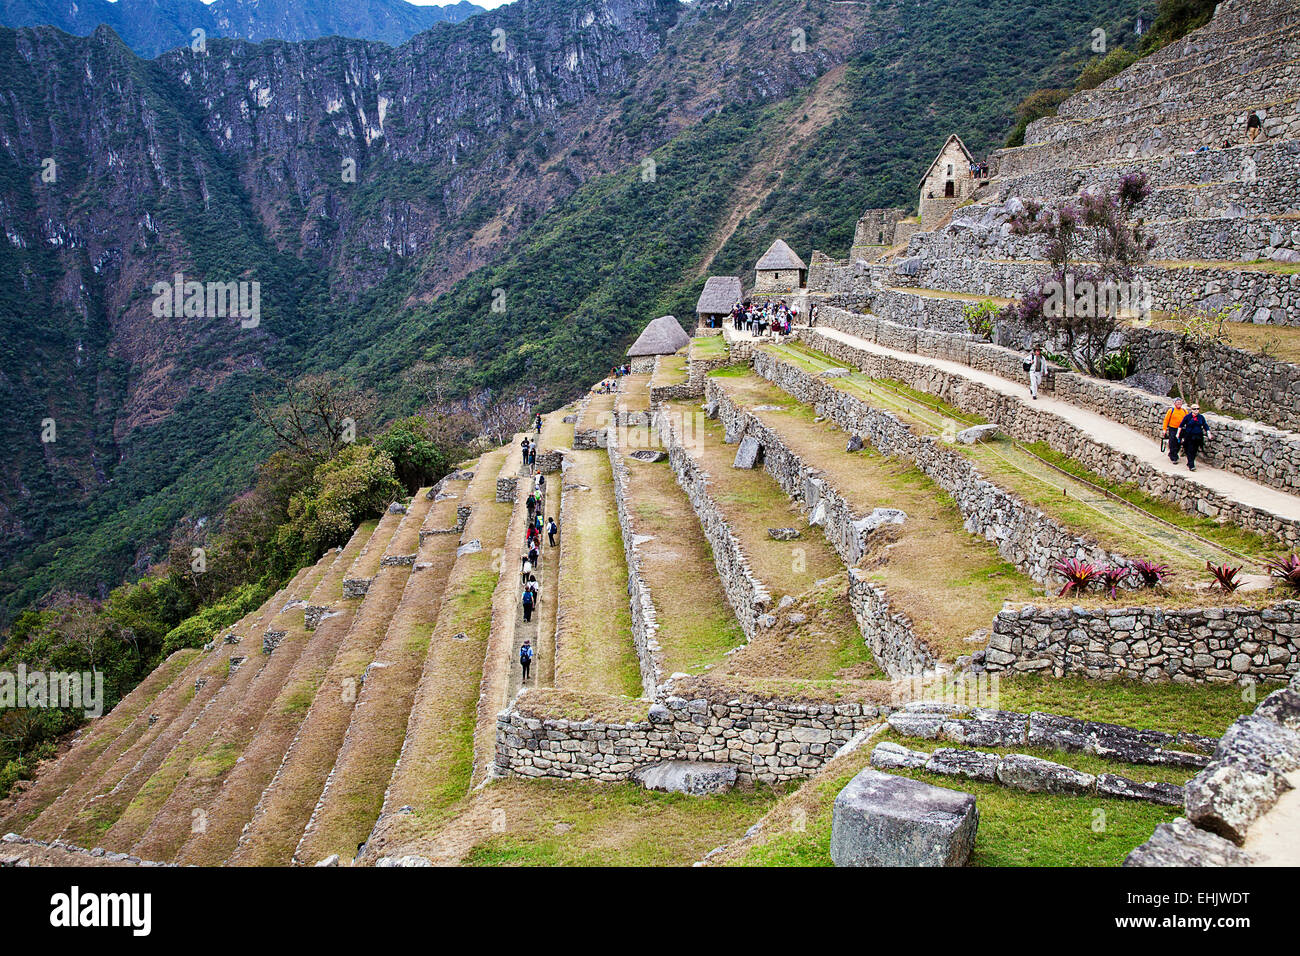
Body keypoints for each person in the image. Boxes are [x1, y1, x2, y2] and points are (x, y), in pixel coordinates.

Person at [1178, 404, 1212, 471]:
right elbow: (1181, 425)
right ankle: (1191, 465)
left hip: (1198, 436)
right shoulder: (1187, 417)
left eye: (1198, 409)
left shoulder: (1201, 417)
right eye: (1194, 409)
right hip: (1189, 436)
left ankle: (1190, 462)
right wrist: (1178, 434)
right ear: (1191, 410)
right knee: (1190, 450)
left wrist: (1208, 433)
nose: (1196, 410)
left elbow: (1205, 425)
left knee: (1195, 450)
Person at [1161, 398, 1188, 463]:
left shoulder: (1184, 411)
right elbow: (1166, 420)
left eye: (1180, 403)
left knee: (1178, 443)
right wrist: (1164, 429)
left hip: (1181, 429)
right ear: (1174, 403)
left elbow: (1188, 420)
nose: (1179, 404)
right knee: (1173, 442)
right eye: (1177, 403)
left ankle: (1173, 453)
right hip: (1173, 429)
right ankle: (1174, 457)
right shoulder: (1171, 410)